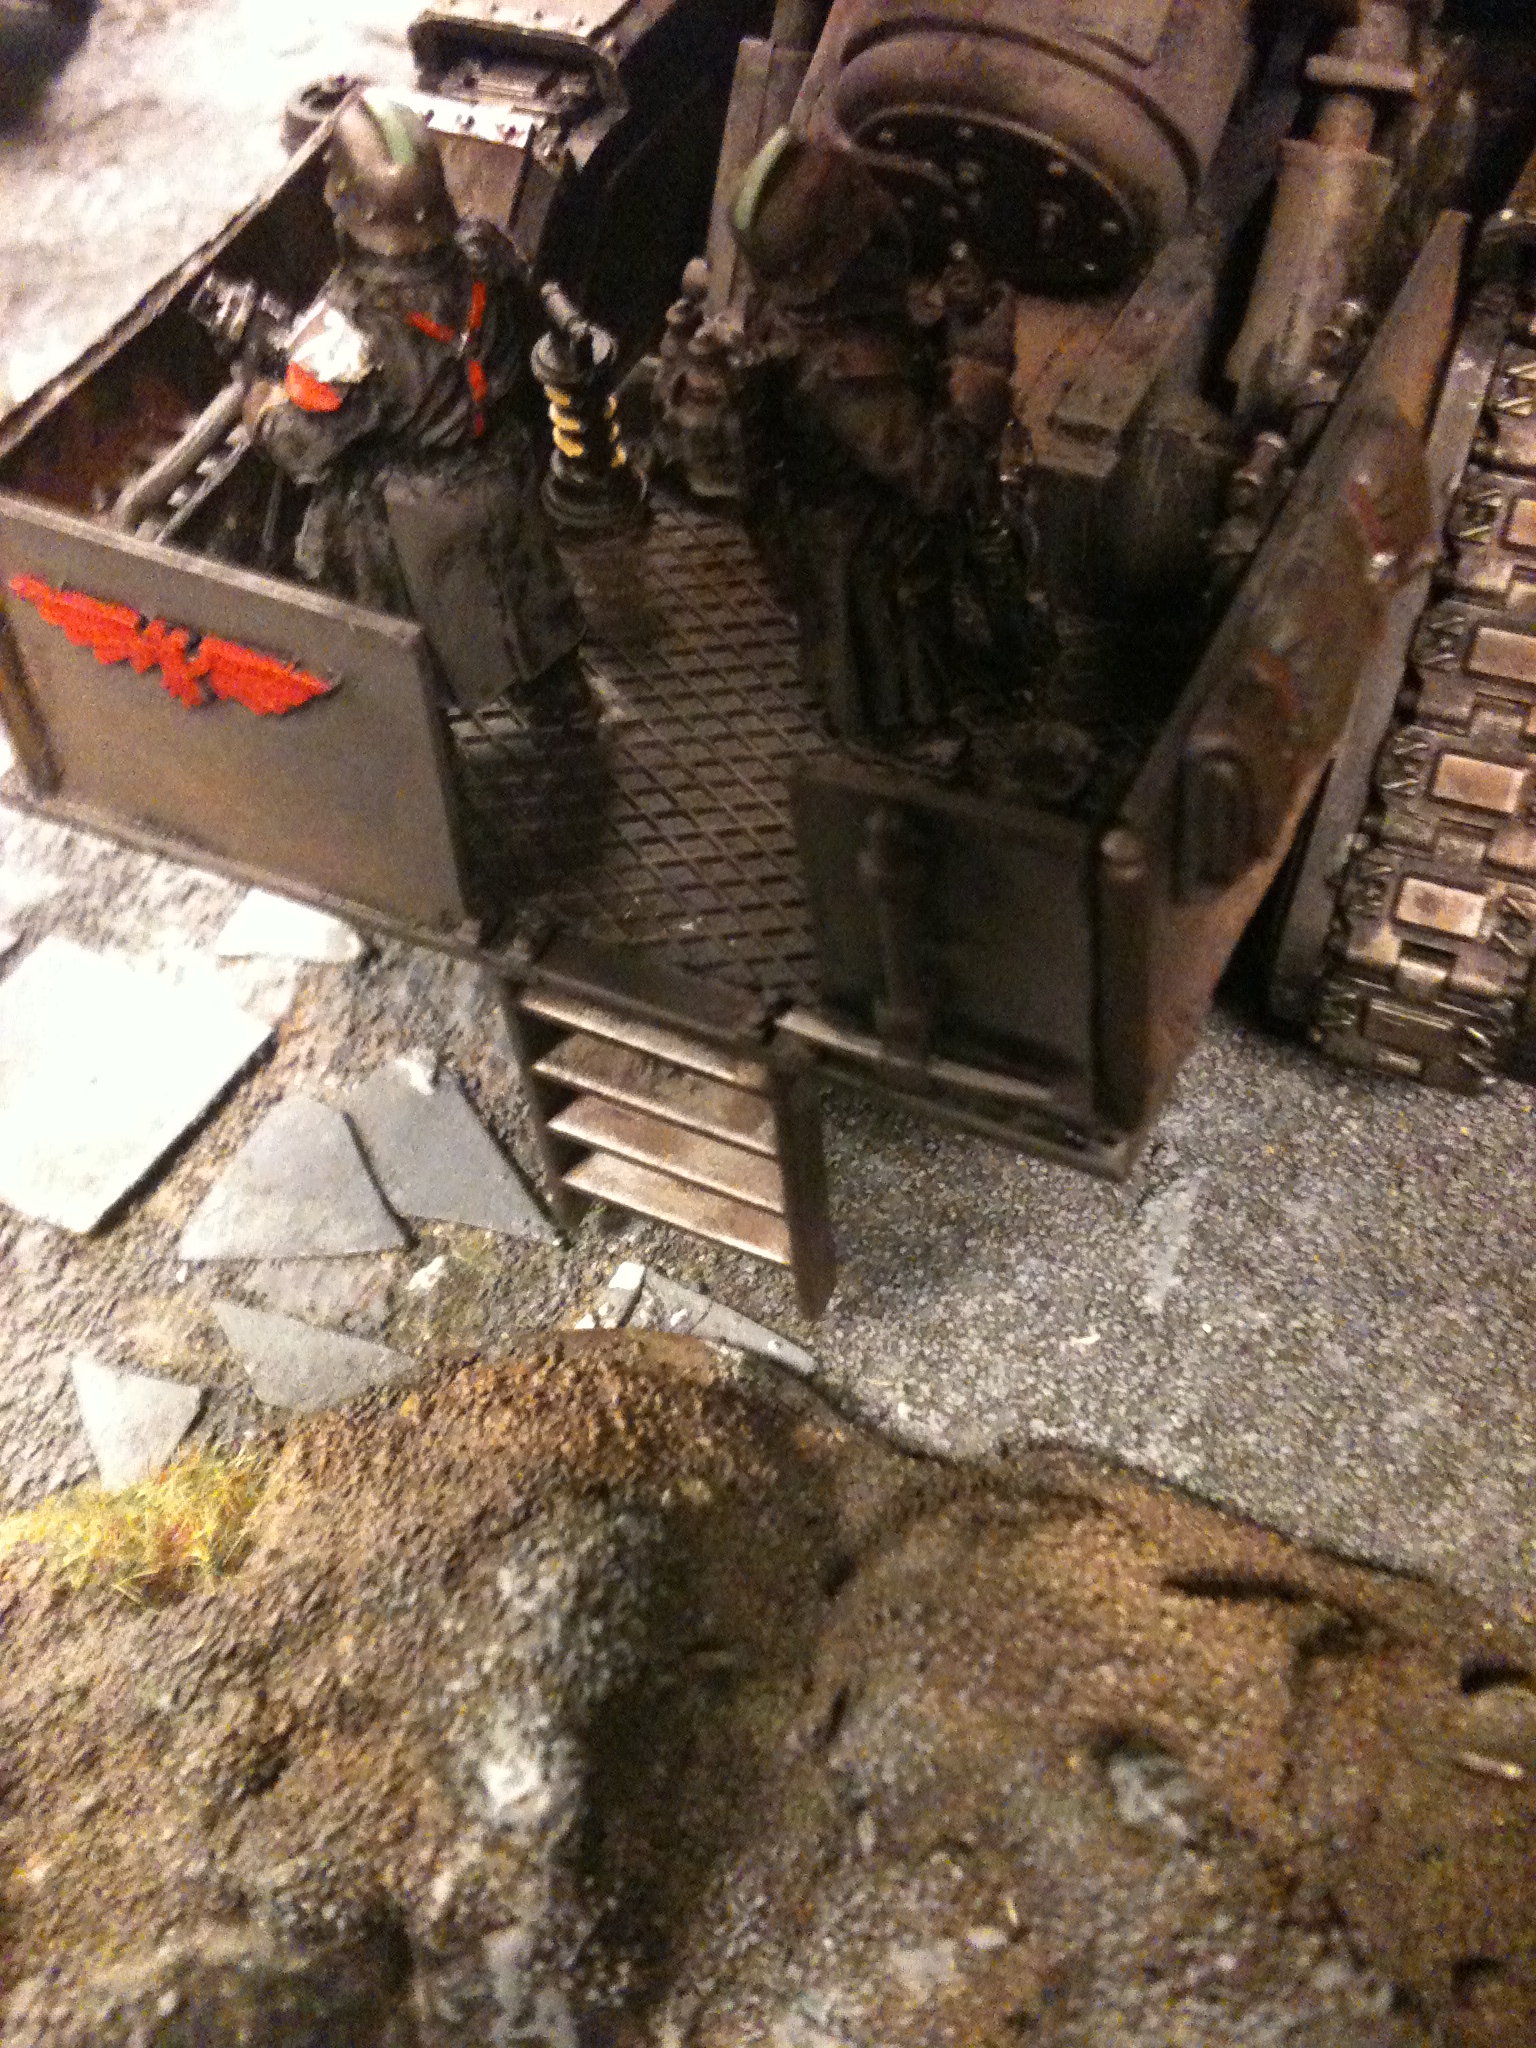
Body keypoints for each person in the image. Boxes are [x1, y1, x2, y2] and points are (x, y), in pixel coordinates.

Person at [244, 89, 582, 716]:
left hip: (416, 512)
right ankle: (558, 697)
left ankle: (395, 704)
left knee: (332, 535)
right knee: (530, 609)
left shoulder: (351, 321)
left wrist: (260, 405)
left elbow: (302, 447)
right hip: (505, 468)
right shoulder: (484, 251)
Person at [729, 127, 1017, 756]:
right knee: (888, 642)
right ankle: (898, 733)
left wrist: (945, 323)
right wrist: (982, 370)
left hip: (831, 520)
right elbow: (936, 478)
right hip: (864, 542)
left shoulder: (790, 316)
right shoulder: (848, 377)